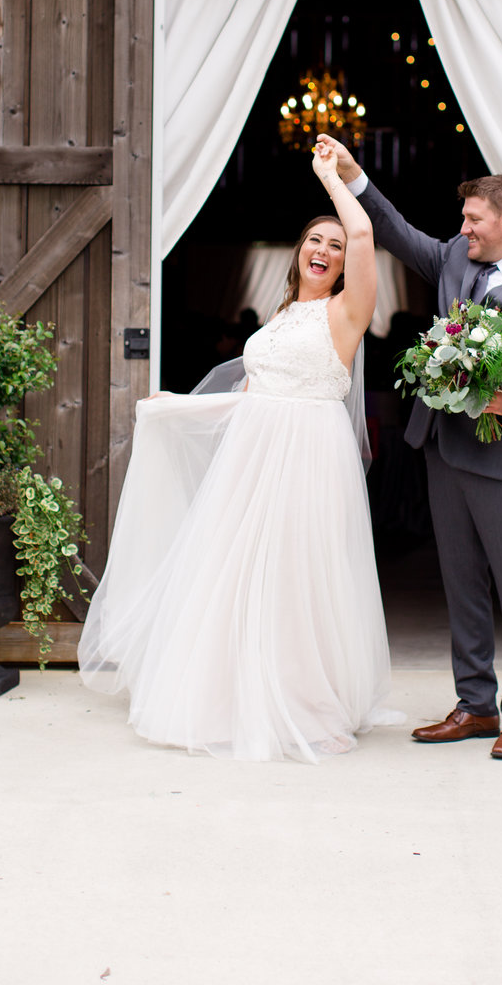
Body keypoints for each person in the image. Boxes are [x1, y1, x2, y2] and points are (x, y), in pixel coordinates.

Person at [78, 143, 401, 762]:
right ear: (297, 251)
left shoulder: (347, 312)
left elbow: (363, 232)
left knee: (297, 581)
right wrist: (176, 405)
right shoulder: (280, 319)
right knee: (238, 578)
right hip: (252, 467)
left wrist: (334, 181)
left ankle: (307, 702)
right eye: (315, 241)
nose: (325, 251)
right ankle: (236, 695)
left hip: (309, 460)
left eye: (334, 247)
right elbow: (249, 399)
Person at [315, 134, 502, 761]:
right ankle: (474, 705)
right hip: (443, 450)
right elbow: (393, 229)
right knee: (462, 584)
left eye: (473, 219)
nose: (462, 227)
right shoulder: (451, 258)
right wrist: (354, 175)